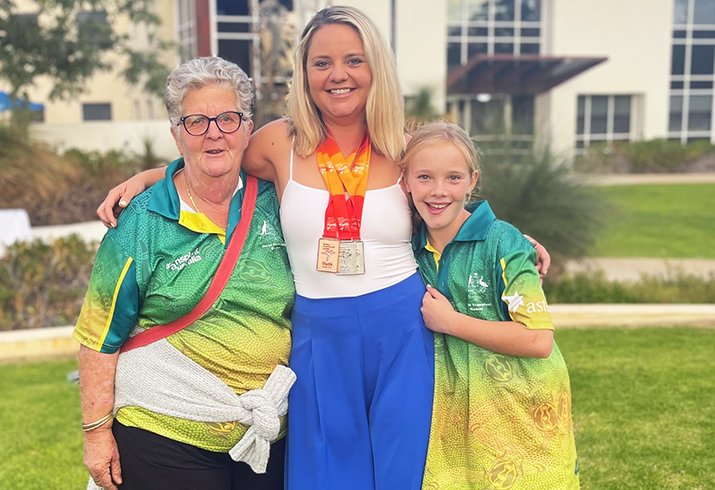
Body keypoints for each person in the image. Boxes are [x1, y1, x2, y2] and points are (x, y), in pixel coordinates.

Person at [95, 7, 550, 489]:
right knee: (329, 475)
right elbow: (213, 158)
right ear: (304, 73)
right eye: (321, 63)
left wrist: (511, 241)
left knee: (404, 470)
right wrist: (150, 179)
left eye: (354, 60)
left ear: (376, 68)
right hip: (317, 336)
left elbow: (448, 203)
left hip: (401, 330)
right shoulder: (278, 143)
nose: (338, 75)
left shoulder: (406, 148)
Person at [74, 57, 296, 490]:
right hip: (163, 431)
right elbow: (99, 336)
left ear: (248, 129)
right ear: (176, 134)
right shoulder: (140, 221)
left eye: (228, 119)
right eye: (196, 121)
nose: (214, 132)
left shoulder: (280, 204)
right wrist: (97, 432)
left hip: (264, 432)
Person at [403, 121, 579, 489]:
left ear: (472, 180)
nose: (438, 191)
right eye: (424, 177)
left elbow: (538, 340)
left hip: (522, 410)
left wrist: (451, 322)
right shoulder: (406, 245)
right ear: (405, 181)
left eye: (453, 178)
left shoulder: (505, 243)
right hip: (457, 415)